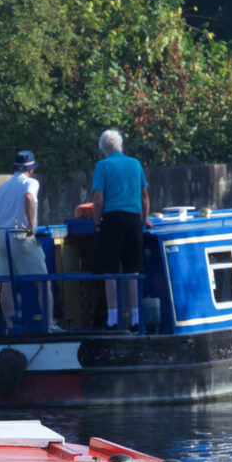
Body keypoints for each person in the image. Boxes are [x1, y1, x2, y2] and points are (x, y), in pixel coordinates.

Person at [87, 129, 150, 330]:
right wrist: (145, 219)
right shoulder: (135, 164)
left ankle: (112, 319)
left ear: (103, 149)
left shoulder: (102, 166)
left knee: (111, 271)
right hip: (133, 219)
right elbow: (145, 196)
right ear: (121, 145)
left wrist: (97, 223)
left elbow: (98, 199)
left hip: (112, 220)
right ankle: (135, 318)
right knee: (132, 270)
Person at [0, 149, 53, 332]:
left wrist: (0, 234)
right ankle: (50, 325)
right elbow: (28, 197)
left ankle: (9, 327)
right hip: (22, 234)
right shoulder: (31, 183)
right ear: (30, 169)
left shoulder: (2, 188)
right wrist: (32, 225)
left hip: (3, 235)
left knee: (6, 283)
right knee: (43, 281)